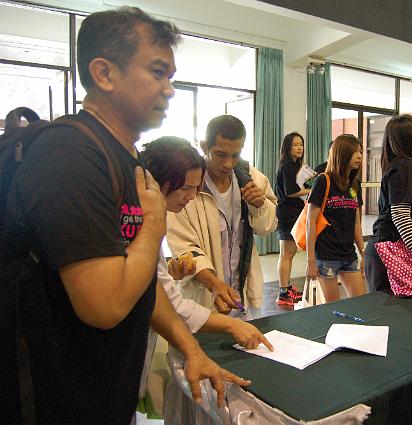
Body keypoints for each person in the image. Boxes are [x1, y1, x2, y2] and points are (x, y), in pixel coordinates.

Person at [2, 8, 247, 425]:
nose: (169, 89)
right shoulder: (70, 155)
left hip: (107, 385)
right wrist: (153, 228)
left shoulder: (126, 157)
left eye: (171, 76)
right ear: (104, 73)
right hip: (55, 393)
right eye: (157, 72)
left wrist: (191, 349)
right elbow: (104, 304)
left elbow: (143, 279)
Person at [142, 136, 273, 424]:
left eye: (195, 188)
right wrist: (228, 321)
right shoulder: (144, 221)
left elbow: (267, 225)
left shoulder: (250, 178)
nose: (191, 196)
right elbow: (168, 301)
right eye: (185, 188)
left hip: (235, 288)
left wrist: (260, 204)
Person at [166, 115, 277, 319]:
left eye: (236, 155)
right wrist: (215, 284)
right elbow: (185, 248)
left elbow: (266, 229)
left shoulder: (252, 178)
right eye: (220, 154)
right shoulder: (187, 186)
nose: (228, 163)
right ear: (204, 146)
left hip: (242, 292)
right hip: (202, 296)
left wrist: (260, 205)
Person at [364, 115, 412, 294]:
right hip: (390, 253)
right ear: (408, 137)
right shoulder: (403, 168)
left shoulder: (406, 168)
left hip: (397, 253)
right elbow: (400, 216)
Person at [306, 134, 366, 302]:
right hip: (326, 255)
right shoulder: (323, 181)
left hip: (348, 254)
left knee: (360, 303)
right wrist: (311, 261)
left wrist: (363, 253)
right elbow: (311, 222)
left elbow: (356, 223)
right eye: (355, 152)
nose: (359, 156)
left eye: (361, 151)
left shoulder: (354, 184)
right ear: (342, 154)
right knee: (333, 308)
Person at [274, 132, 308, 306]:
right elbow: (291, 191)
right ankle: (284, 293)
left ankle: (286, 288)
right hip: (287, 213)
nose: (299, 147)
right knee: (286, 254)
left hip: (292, 212)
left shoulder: (294, 165)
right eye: (295, 144)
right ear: (288, 147)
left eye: (301, 144)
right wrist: (312, 189)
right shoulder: (288, 165)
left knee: (288, 253)